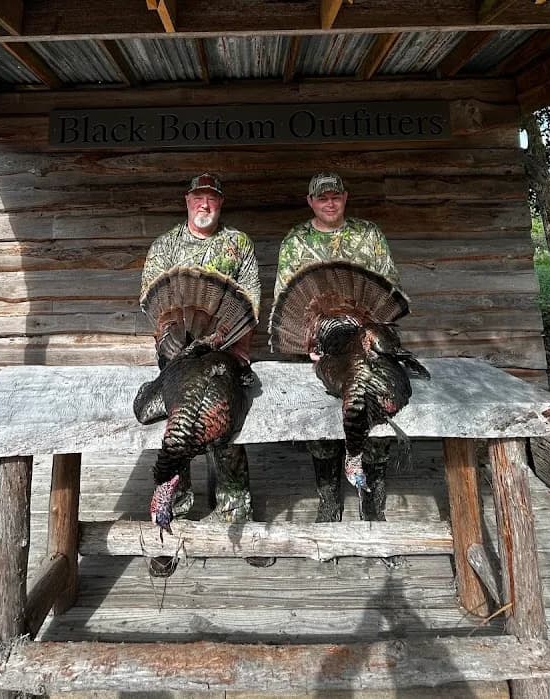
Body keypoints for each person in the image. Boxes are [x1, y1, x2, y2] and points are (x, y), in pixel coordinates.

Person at [140, 172, 263, 571]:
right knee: (178, 429)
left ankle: (237, 516)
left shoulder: (238, 243)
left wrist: (220, 336)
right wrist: (166, 336)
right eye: (198, 198)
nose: (204, 204)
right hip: (177, 359)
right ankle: (170, 523)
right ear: (187, 201)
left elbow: (252, 304)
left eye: (211, 198)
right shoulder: (166, 245)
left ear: (220, 203)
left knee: (227, 426)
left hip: (225, 352)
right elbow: (151, 300)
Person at [274, 172, 402, 525]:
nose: (329, 202)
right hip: (323, 350)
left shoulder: (369, 235)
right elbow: (286, 299)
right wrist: (307, 343)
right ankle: (329, 501)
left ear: (345, 197)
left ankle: (372, 505)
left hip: (365, 347)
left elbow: (388, 290)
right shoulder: (296, 241)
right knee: (323, 427)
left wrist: (375, 339)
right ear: (311, 201)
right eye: (322, 198)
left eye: (335, 196)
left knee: (374, 421)